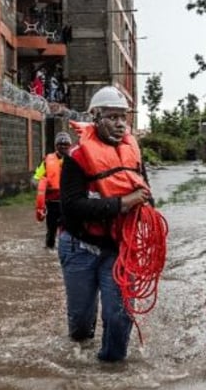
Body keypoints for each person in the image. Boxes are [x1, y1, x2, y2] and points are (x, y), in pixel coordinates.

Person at [58, 86, 153, 362]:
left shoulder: (133, 154)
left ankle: (112, 370)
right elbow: (72, 207)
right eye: (112, 117)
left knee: (119, 314)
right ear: (95, 117)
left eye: (123, 117)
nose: (120, 124)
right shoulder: (76, 158)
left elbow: (145, 193)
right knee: (80, 324)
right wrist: (123, 204)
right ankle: (81, 353)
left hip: (119, 248)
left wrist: (146, 205)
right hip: (80, 246)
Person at [32, 131, 73, 249]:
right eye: (60, 144)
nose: (63, 146)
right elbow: (35, 179)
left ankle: (67, 251)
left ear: (70, 146)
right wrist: (42, 187)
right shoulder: (47, 161)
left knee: (70, 231)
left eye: (66, 144)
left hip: (69, 203)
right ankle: (49, 250)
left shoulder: (75, 160)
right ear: (56, 146)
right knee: (51, 232)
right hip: (52, 203)